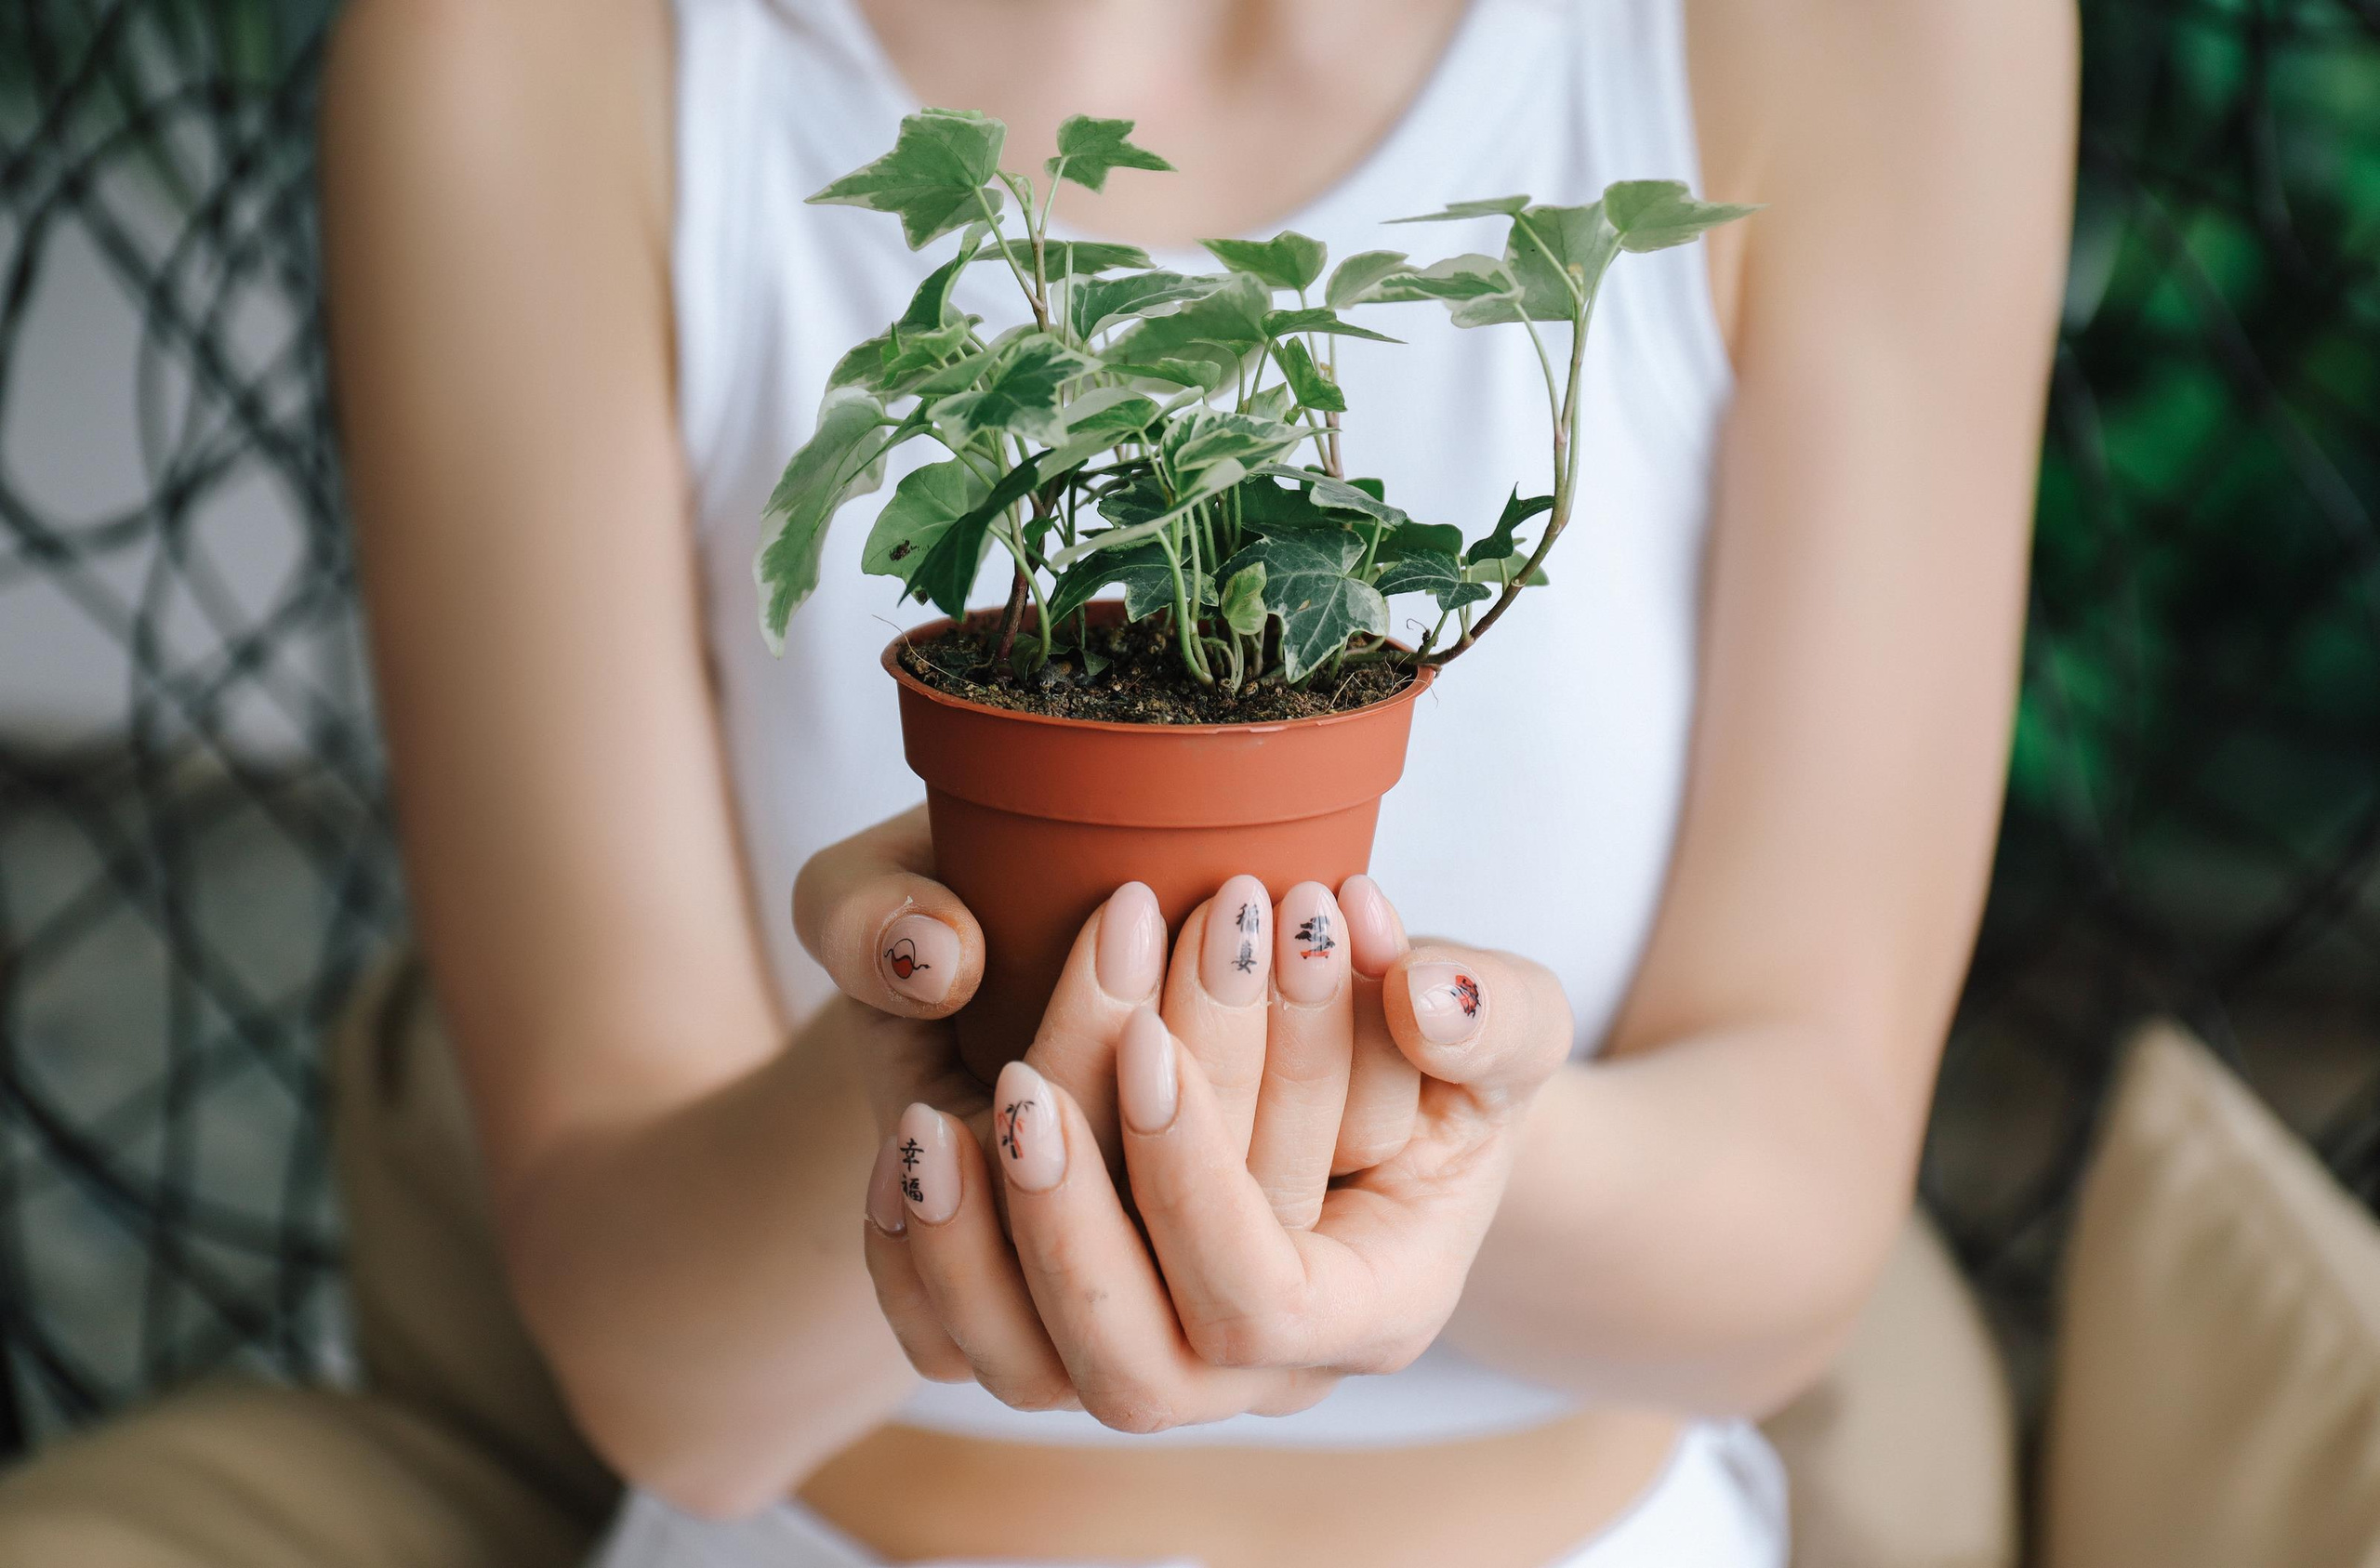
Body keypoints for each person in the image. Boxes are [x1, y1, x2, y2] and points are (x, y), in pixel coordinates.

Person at [311, 0, 2075, 1562]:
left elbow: (1801, 1218)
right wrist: (935, 1085)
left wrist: (1401, 1126)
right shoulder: (526, 49)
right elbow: (657, 1378)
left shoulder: (1882, 31)